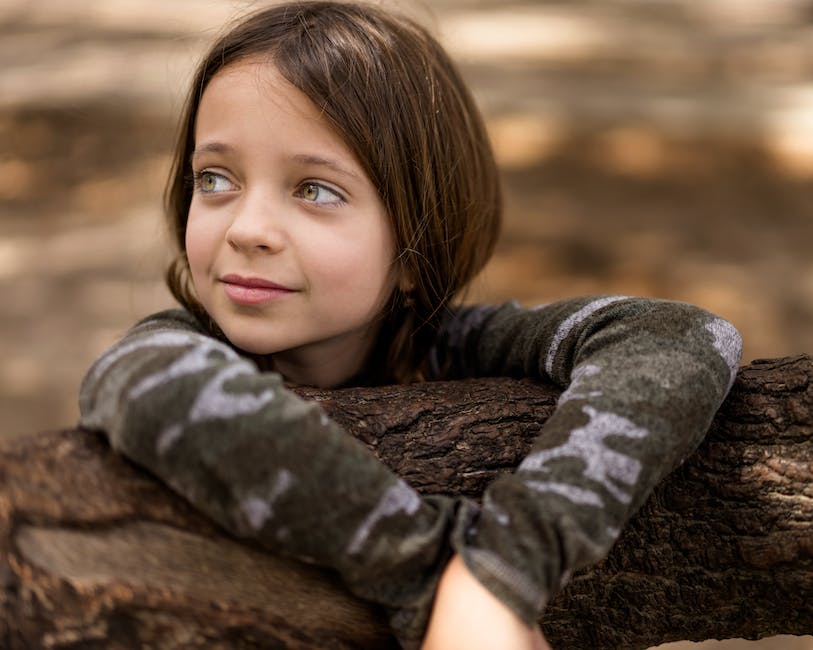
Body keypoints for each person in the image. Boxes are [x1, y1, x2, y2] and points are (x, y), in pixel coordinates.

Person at [78, 2, 742, 648]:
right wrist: (431, 581)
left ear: (412, 251)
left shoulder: (456, 347)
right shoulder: (173, 349)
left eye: (314, 189)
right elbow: (154, 390)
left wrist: (502, 571)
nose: (247, 229)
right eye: (215, 178)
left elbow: (682, 338)